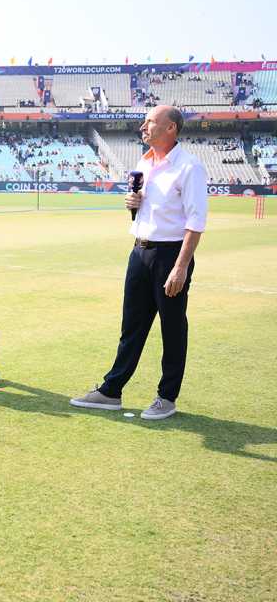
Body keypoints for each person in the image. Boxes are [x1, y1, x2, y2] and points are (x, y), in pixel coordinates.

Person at [71, 105, 207, 420]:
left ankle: (166, 397)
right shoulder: (143, 163)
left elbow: (195, 222)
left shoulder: (189, 167)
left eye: (150, 122)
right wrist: (133, 204)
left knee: (172, 329)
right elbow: (144, 210)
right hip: (140, 252)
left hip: (170, 255)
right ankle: (111, 391)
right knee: (131, 327)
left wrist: (181, 266)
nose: (143, 127)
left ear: (171, 128)